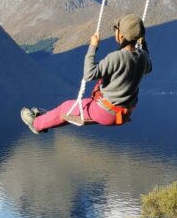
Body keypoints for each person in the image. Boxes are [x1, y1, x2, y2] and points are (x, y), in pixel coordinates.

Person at [21, 13, 152, 134]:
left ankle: (36, 124)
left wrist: (93, 46)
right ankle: (46, 118)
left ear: (121, 36)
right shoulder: (143, 57)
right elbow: (148, 68)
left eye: (115, 28)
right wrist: (144, 45)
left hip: (106, 113)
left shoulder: (116, 57)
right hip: (124, 114)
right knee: (71, 110)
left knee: (65, 108)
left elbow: (89, 74)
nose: (114, 31)